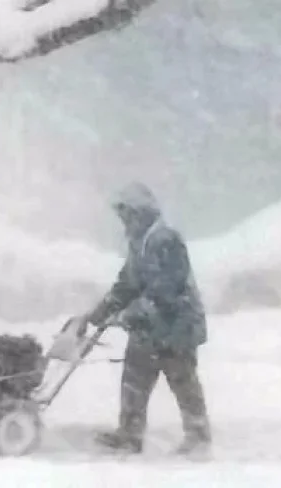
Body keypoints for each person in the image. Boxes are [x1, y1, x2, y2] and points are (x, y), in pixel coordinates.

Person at [73, 182, 211, 455]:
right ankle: (129, 434)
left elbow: (166, 291)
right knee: (134, 378)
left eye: (128, 215)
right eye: (122, 216)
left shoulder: (165, 240)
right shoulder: (140, 243)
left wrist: (129, 315)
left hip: (177, 326)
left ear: (142, 213)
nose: (124, 221)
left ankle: (198, 437)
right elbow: (126, 285)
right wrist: (97, 315)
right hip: (149, 327)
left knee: (182, 381)